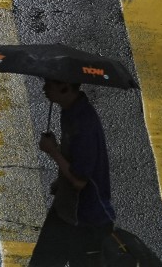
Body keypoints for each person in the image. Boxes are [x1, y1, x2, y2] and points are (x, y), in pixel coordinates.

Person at [29, 80, 114, 267]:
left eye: (49, 84)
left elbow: (79, 181)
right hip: (66, 208)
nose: (43, 88)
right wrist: (61, 182)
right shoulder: (69, 111)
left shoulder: (84, 127)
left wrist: (52, 151)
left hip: (86, 219)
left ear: (65, 87)